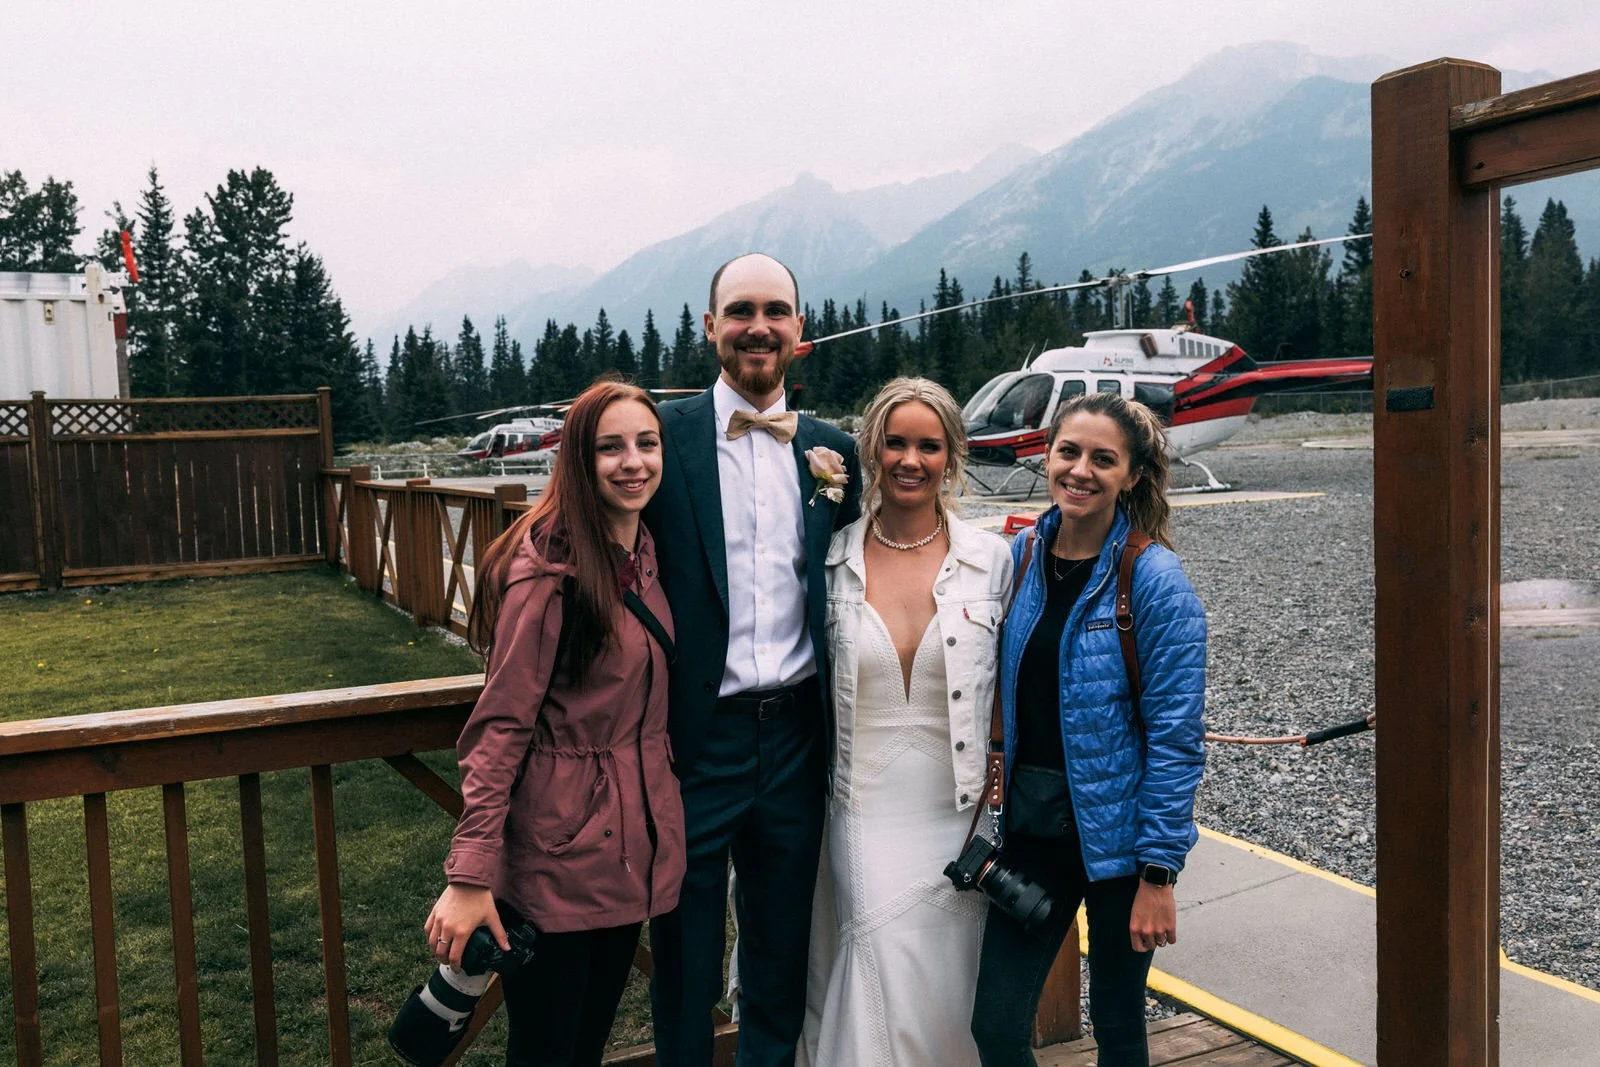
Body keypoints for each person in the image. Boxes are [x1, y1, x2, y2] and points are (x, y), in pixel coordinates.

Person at [425, 380, 684, 1067]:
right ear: (578, 459)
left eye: (647, 443)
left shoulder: (647, 552)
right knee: (546, 1052)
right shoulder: (549, 570)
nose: (633, 461)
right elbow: (500, 725)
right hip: (556, 856)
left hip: (627, 854)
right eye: (611, 447)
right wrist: (471, 873)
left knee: (585, 1046)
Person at [643, 253, 861, 1067]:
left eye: (776, 310)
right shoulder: (659, 437)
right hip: (695, 742)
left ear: (801, 331)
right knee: (685, 961)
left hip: (799, 740)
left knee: (778, 958)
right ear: (710, 327)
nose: (758, 326)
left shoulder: (836, 452)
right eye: (740, 310)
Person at [971, 392, 1206, 1067]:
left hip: (1120, 848)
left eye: (1104, 459)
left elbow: (1176, 738)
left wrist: (1159, 874)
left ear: (1131, 475)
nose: (1081, 470)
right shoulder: (1018, 558)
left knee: (1119, 1027)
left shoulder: (1155, 579)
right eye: (1068, 452)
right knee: (995, 1024)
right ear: (1046, 456)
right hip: (1030, 829)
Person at [799, 378, 1012, 1067]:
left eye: (929, 444)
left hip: (959, 807)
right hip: (863, 804)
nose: (911, 459)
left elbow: (1023, 679)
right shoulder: (830, 561)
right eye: (896, 441)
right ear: (871, 449)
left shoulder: (993, 560)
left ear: (951, 455)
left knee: (955, 984)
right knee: (876, 945)